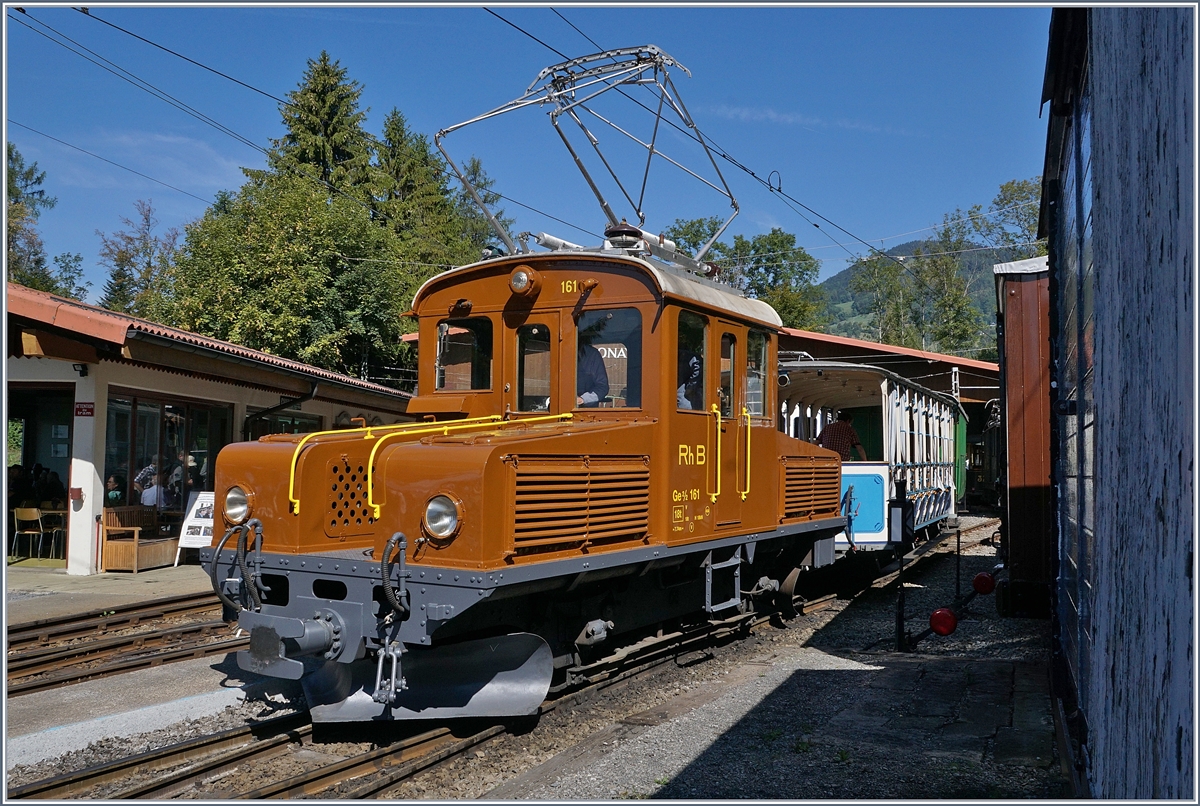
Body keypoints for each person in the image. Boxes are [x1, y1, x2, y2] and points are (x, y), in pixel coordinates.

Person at [576, 341, 609, 407]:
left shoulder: (592, 355)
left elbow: (602, 387)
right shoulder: (555, 351)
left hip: (587, 413)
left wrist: (583, 399)